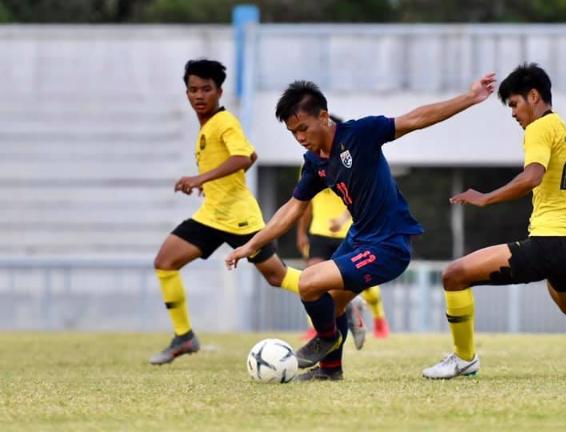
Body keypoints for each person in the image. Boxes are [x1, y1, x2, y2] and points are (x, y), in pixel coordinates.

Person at [226, 73, 496, 381]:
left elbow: (416, 119)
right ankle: (330, 371)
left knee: (309, 282)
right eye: (293, 132)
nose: (299, 137)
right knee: (332, 303)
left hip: (388, 245)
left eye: (303, 128)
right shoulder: (315, 162)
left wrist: (470, 98)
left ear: (324, 117)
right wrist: (252, 245)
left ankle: (327, 338)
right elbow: (293, 208)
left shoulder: (360, 134)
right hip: (359, 239)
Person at [422, 63, 566, 379]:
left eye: (514, 104)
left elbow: (532, 177)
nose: (513, 113)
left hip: (549, 243)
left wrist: (486, 197)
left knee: (454, 275)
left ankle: (464, 358)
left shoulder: (539, 128)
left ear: (534, 96)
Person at [150, 59, 302, 365]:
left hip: (239, 217)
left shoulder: (224, 121)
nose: (199, 95)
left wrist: (200, 179)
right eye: (193, 89)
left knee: (277, 277)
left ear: (219, 91)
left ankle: (334, 292)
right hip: (211, 214)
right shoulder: (208, 126)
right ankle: (184, 337)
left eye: (206, 89)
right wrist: (213, 183)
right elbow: (252, 154)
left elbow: (243, 157)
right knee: (165, 262)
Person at [295, 116, 392, 344]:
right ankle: (317, 329)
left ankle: (379, 320)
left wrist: (343, 218)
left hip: (348, 232)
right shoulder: (310, 163)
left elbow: (362, 196)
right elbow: (303, 203)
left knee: (365, 284)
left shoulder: (351, 160)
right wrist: (301, 233)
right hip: (319, 232)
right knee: (313, 279)